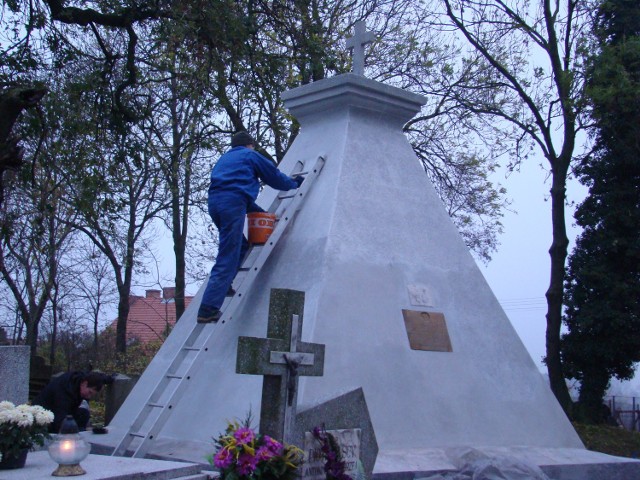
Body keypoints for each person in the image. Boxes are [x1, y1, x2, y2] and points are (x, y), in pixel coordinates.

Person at [197, 131, 303, 323]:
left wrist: (263, 215)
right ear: (250, 144)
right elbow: (274, 177)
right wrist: (294, 183)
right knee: (228, 254)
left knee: (242, 244)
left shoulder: (226, 158)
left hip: (216, 203)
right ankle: (208, 309)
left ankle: (226, 284)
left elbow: (233, 190)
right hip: (233, 202)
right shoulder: (249, 155)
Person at [32, 370, 113, 433]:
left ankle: (80, 431)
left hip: (64, 411)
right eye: (89, 392)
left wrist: (108, 379)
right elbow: (59, 420)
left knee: (84, 414)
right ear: (84, 383)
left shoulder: (81, 378)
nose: (89, 396)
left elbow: (95, 376)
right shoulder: (63, 392)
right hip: (46, 417)